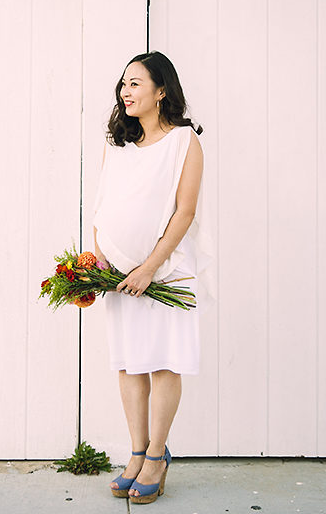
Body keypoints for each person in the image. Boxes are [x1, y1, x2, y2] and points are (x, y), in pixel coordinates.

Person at [92, 51, 214, 504]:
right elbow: (102, 207)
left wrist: (149, 268)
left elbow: (185, 212)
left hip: (165, 272)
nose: (125, 92)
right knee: (129, 363)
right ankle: (137, 451)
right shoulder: (116, 146)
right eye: (122, 84)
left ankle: (158, 457)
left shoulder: (185, 142)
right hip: (120, 276)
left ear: (161, 91)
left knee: (163, 361)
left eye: (135, 83)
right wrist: (100, 261)